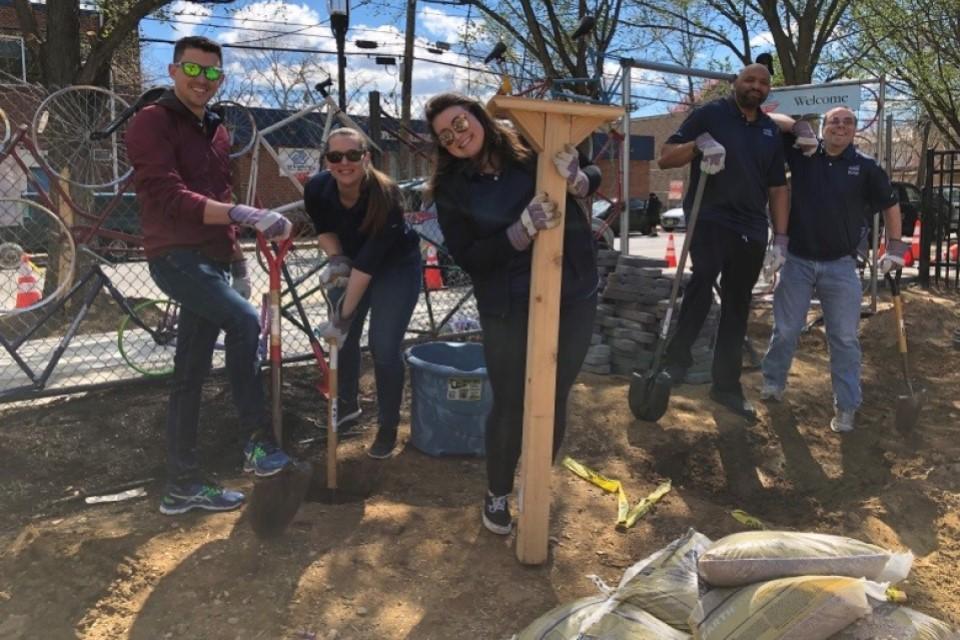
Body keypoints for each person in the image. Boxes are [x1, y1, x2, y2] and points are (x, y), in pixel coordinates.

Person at [126, 36, 293, 515]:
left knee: (189, 375)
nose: (202, 81)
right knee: (244, 322)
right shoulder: (151, 122)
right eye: (193, 71)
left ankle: (182, 485)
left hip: (215, 260)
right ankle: (257, 444)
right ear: (174, 71)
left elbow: (219, 189)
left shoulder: (217, 131)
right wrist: (245, 213)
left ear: (220, 79)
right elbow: (167, 195)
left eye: (212, 73)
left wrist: (237, 261)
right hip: (176, 256)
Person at [424, 93, 601, 535]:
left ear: (479, 118)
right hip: (508, 303)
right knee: (511, 400)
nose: (457, 138)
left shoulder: (530, 148)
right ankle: (498, 491)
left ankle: (535, 485)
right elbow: (468, 256)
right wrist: (520, 231)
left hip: (572, 291)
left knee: (556, 394)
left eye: (460, 124)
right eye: (446, 136)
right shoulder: (451, 190)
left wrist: (577, 178)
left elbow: (590, 166)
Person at [657, 63, 789, 421]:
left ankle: (726, 385)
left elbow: (778, 187)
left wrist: (781, 238)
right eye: (749, 80)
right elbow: (666, 157)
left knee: (737, 304)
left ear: (768, 91)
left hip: (751, 225)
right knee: (703, 279)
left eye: (763, 83)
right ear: (735, 83)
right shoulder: (710, 114)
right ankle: (676, 361)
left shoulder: (768, 130)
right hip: (710, 216)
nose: (756, 86)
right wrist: (699, 145)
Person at [760, 107, 905, 433]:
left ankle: (847, 407)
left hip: (841, 266)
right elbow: (768, 117)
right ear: (823, 127)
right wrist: (800, 127)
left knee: (843, 338)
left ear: (855, 130)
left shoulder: (865, 167)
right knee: (785, 330)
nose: (840, 126)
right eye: (833, 122)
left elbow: (891, 205)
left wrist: (895, 249)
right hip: (796, 260)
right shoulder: (802, 153)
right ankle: (773, 382)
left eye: (848, 122)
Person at [306, 128, 422, 459]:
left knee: (383, 345)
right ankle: (346, 405)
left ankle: (387, 426)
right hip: (352, 262)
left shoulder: (386, 196)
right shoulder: (317, 187)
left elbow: (369, 265)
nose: (344, 163)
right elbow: (323, 230)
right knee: (344, 341)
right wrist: (337, 260)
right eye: (335, 156)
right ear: (326, 160)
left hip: (395, 267)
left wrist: (341, 317)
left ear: (366, 157)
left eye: (353, 155)